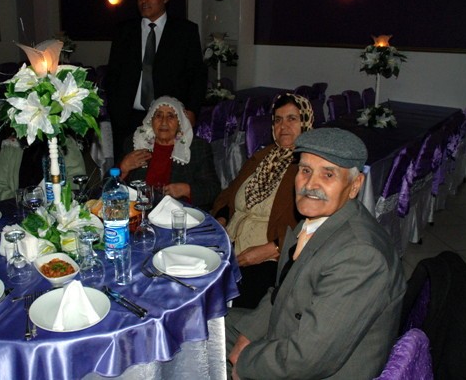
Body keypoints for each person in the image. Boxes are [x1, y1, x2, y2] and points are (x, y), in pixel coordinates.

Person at [226, 128, 406, 379]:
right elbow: (281, 292)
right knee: (202, 324)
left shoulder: (360, 255)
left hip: (318, 370)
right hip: (289, 331)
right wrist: (247, 335)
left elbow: (307, 359)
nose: (310, 185)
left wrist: (244, 362)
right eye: (305, 170)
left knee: (200, 359)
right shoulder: (318, 219)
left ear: (355, 185)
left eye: (328, 174)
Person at [212, 93, 313, 308]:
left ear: (305, 122)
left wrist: (273, 249)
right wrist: (221, 219)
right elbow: (230, 194)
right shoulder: (262, 157)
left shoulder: (310, 168)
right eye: (278, 120)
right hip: (228, 243)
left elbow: (313, 224)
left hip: (270, 257)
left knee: (222, 302)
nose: (283, 126)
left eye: (292, 119)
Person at [105, 0, 207, 161]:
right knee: (127, 166)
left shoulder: (184, 31)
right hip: (127, 117)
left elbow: (197, 75)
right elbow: (113, 73)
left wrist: (192, 109)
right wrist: (115, 107)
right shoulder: (124, 31)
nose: (144, 0)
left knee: (162, 168)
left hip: (167, 119)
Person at [119, 96, 219, 211]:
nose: (164, 122)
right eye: (158, 115)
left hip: (179, 213)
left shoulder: (196, 147)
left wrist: (186, 189)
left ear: (180, 122)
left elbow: (213, 189)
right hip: (139, 211)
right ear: (151, 119)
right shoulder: (137, 142)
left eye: (170, 116)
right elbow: (107, 185)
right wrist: (123, 168)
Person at [0, 134, 86, 202]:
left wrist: (59, 198)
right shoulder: (12, 145)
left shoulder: (63, 142)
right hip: (19, 212)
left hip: (57, 209)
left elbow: (76, 178)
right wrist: (20, 200)